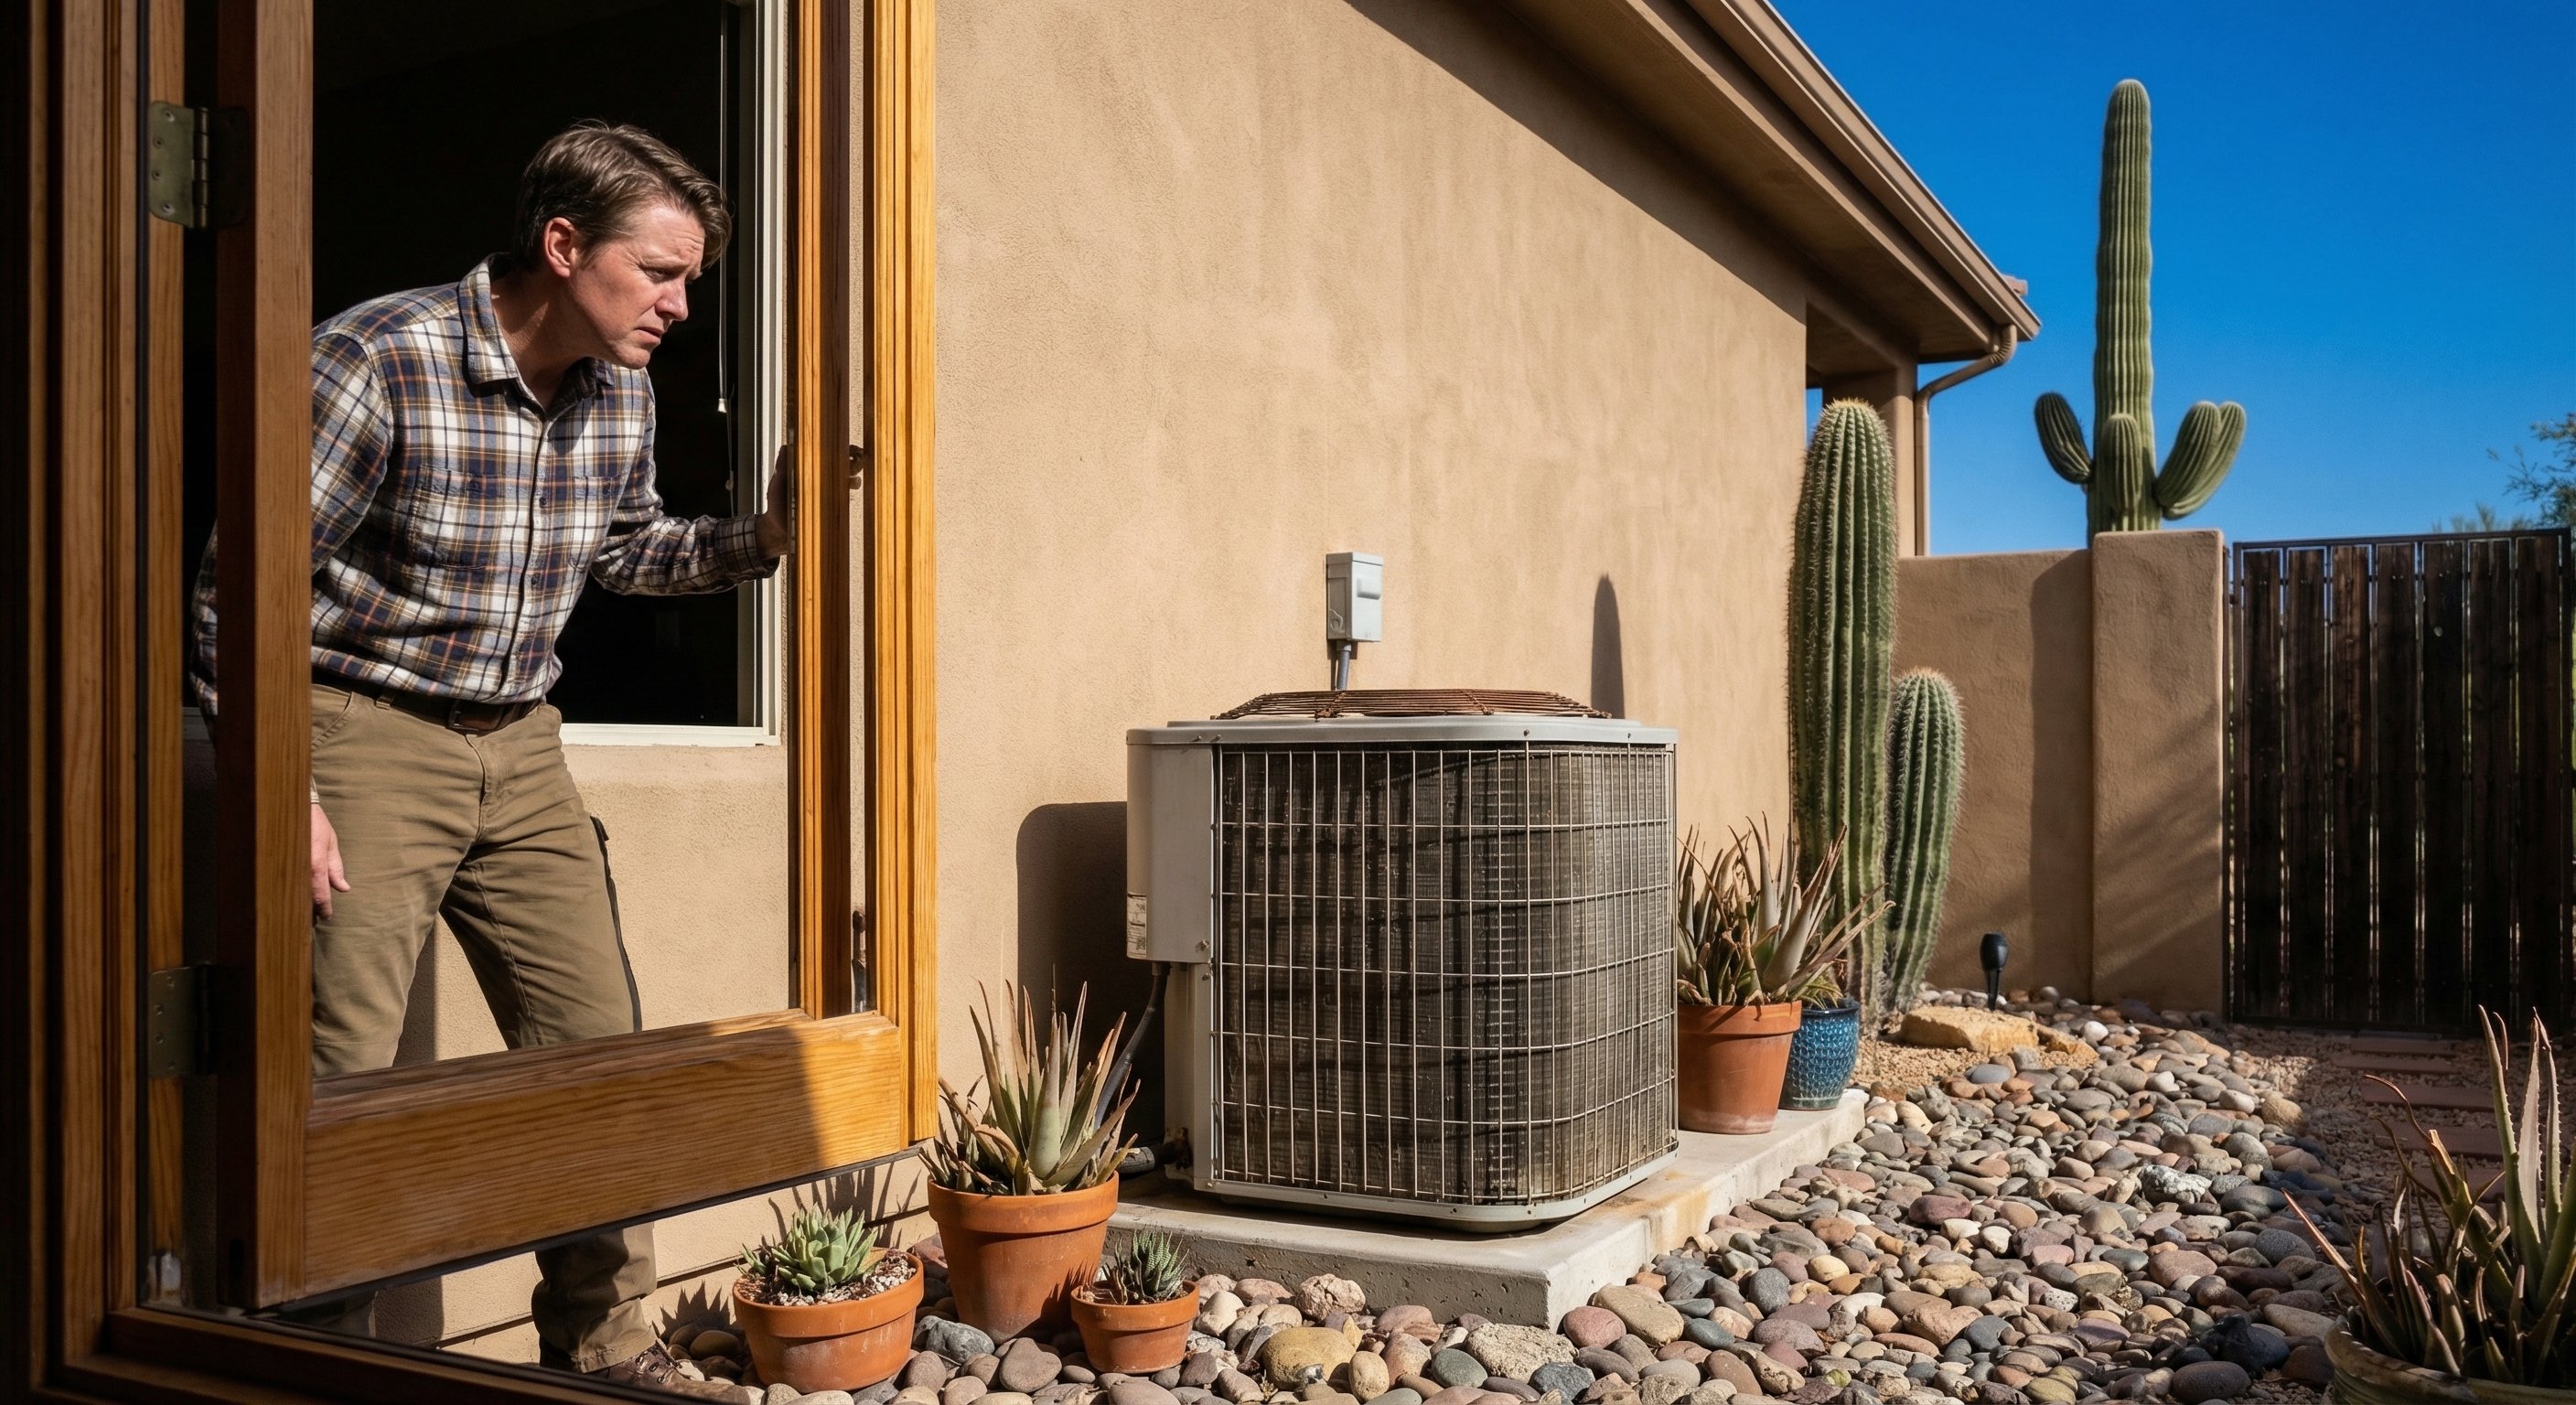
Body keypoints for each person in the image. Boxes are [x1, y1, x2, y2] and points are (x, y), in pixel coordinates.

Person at [188, 121, 784, 1395]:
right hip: (359, 733)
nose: (681, 306)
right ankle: (311, 1354)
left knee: (595, 1047)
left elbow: (625, 551)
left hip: (521, 746)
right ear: (563, 246)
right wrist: (278, 781)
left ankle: (605, 1349)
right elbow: (241, 589)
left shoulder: (619, 386)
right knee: (336, 1071)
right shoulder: (378, 358)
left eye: (691, 282)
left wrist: (765, 539)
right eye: (661, 273)